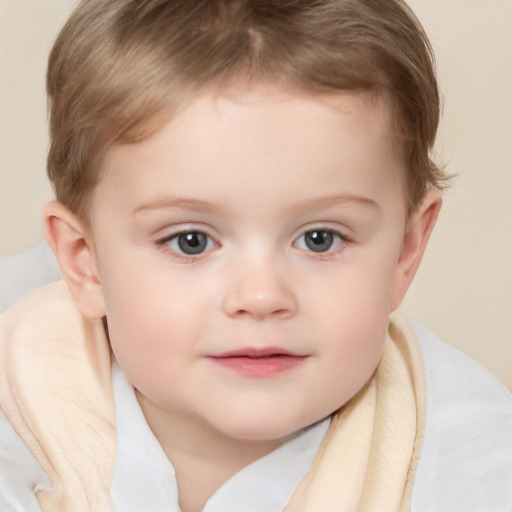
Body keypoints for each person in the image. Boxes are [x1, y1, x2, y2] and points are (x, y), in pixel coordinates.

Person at [1, 1, 511, 511]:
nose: (262, 296)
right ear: (84, 260)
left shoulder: (470, 450)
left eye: (320, 239)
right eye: (191, 241)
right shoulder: (20, 396)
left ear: (405, 249)